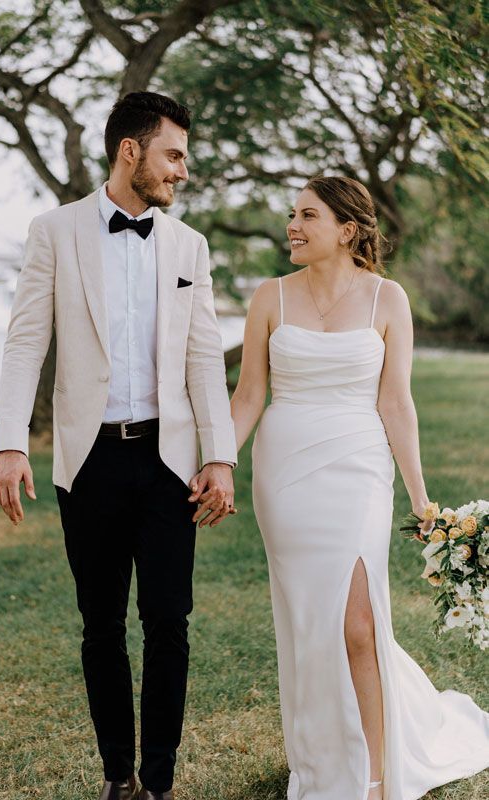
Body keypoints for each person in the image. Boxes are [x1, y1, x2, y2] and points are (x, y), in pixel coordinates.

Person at [0, 91, 237, 800]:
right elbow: (25, 340)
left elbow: (201, 359)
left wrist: (216, 456)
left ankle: (157, 782)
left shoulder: (189, 245)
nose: (182, 171)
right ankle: (115, 777)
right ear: (131, 151)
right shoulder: (54, 231)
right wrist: (12, 443)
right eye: (173, 154)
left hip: (168, 463)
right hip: (89, 462)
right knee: (100, 627)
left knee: (169, 621)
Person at [228, 175, 489, 799]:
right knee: (307, 619)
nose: (292, 225)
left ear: (347, 229)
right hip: (285, 475)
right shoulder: (271, 297)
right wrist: (217, 464)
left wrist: (421, 497)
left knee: (357, 623)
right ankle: (319, 753)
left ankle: (374, 775)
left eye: (307, 215)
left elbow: (397, 404)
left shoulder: (386, 299)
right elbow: (249, 395)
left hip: (359, 469)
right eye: (291, 215)